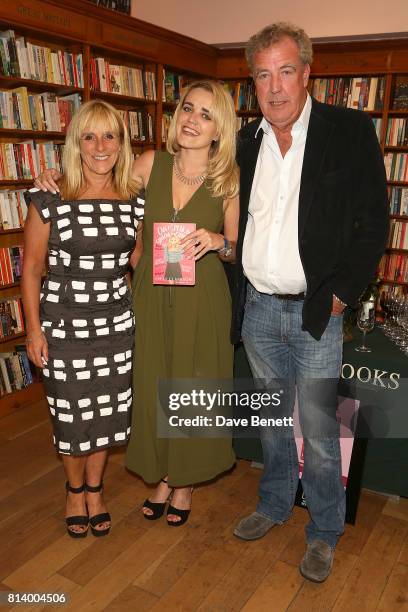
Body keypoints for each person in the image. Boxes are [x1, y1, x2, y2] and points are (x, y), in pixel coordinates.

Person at [33, 79, 240, 526]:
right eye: (188, 108)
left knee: (194, 386)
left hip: (201, 298)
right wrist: (53, 173)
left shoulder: (229, 178)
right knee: (153, 386)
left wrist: (217, 239)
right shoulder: (149, 164)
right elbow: (100, 178)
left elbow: (236, 248)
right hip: (147, 295)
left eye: (206, 114)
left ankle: (183, 484)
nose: (193, 119)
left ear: (219, 128)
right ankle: (164, 474)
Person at [231, 23, 388, 582]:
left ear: (307, 73)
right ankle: (274, 504)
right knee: (272, 421)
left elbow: (374, 225)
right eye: (263, 74)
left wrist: (345, 293)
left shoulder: (348, 130)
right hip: (259, 311)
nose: (275, 87)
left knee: (319, 432)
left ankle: (323, 530)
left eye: (286, 70)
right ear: (253, 82)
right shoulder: (245, 141)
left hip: (318, 311)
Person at [22, 99, 143, 538]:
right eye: (89, 135)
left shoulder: (135, 199)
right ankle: (74, 490)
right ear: (76, 143)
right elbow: (32, 269)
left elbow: (139, 263)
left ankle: (96, 488)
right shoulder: (49, 196)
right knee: (71, 413)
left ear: (121, 143)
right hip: (63, 324)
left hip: (116, 325)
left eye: (109, 135)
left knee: (107, 411)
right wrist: (33, 330)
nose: (99, 146)